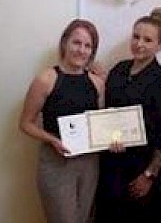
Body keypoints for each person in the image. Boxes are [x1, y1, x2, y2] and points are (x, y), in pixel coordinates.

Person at [96, 8, 161, 223]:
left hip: (145, 168)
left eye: (148, 40)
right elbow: (109, 113)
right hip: (114, 165)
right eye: (136, 36)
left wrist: (149, 175)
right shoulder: (118, 70)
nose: (139, 43)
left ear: (160, 45)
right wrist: (109, 137)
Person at [19, 19, 104, 223]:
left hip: (90, 162)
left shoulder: (97, 83)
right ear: (65, 43)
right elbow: (25, 123)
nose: (81, 50)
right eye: (76, 42)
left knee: (85, 219)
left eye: (87, 46)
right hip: (56, 161)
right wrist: (52, 140)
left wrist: (113, 138)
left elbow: (99, 123)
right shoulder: (45, 79)